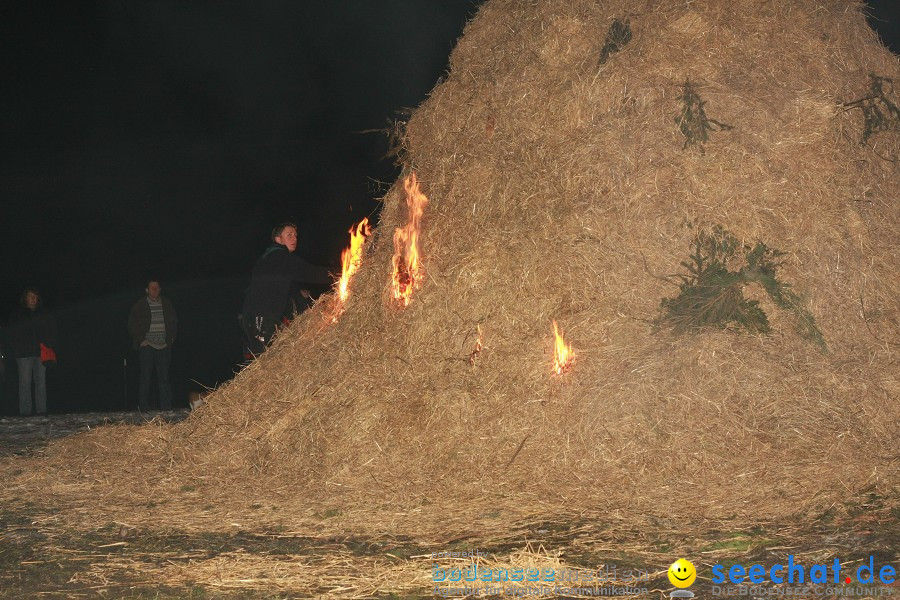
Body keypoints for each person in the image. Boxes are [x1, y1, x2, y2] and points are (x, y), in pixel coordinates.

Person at [241, 222, 333, 355]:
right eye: (289, 235)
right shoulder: (279, 257)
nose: (294, 239)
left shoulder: (273, 260)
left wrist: (301, 297)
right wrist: (345, 271)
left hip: (258, 316)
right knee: (266, 358)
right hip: (260, 316)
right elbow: (310, 272)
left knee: (273, 355)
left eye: (295, 235)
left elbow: (283, 288)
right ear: (278, 239)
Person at [128, 278, 177, 411]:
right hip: (147, 346)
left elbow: (174, 321)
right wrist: (140, 340)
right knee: (145, 378)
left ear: (160, 289)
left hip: (164, 346)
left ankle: (166, 407)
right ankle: (144, 407)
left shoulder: (167, 303)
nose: (154, 290)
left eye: (157, 288)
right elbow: (132, 324)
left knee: (164, 378)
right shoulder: (140, 305)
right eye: (152, 288)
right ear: (147, 290)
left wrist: (172, 337)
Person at [7, 287, 57, 416]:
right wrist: (16, 348)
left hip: (41, 352)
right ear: (25, 298)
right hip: (23, 354)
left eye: (35, 296)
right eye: (30, 296)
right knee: (25, 383)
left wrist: (48, 344)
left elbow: (52, 329)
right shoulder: (18, 313)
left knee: (40, 382)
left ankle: (42, 410)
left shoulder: (43, 312)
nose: (33, 299)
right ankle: (25, 412)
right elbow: (11, 332)